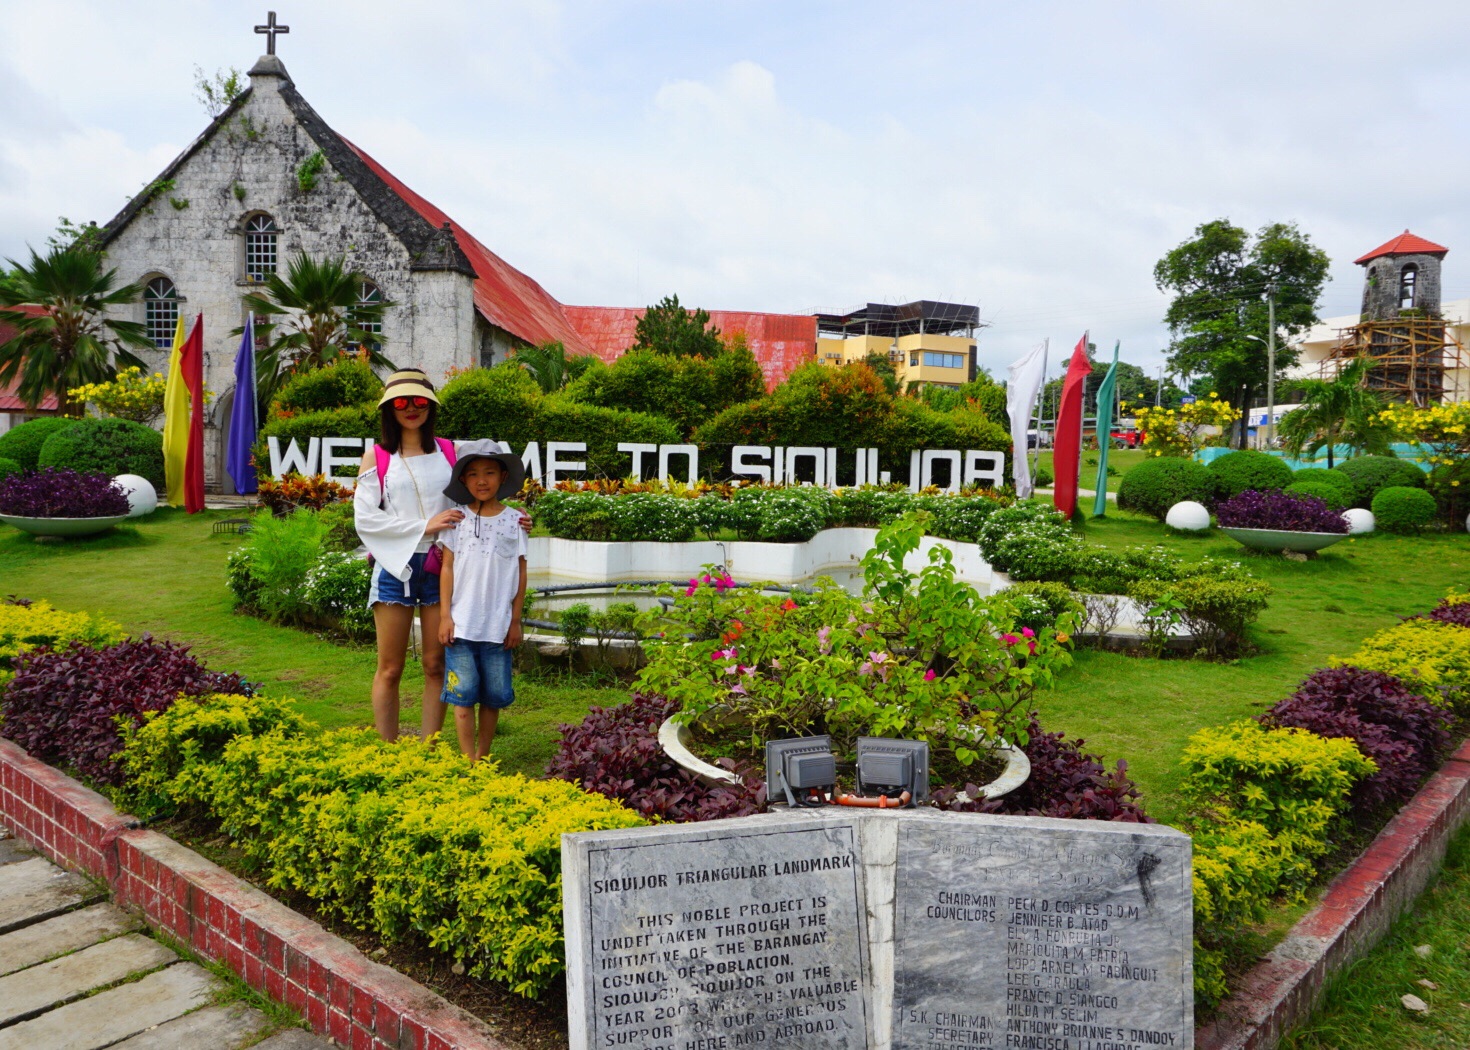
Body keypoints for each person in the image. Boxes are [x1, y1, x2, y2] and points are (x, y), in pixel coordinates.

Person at [354, 370, 528, 741]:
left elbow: (484, 483)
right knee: (390, 667)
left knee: (436, 664)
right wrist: (424, 524)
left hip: (442, 566)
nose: (412, 408)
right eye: (401, 402)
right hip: (395, 567)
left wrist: (517, 518)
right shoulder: (378, 456)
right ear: (389, 408)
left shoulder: (451, 451)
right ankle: (388, 752)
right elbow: (365, 519)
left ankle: (428, 749)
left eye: (420, 401)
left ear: (431, 406)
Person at [436, 441, 528, 762]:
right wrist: (445, 617)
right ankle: (468, 760)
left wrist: (515, 620)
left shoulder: (516, 521)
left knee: (493, 696)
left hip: (498, 628)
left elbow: (520, 572)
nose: (482, 480)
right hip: (461, 626)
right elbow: (447, 568)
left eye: (490, 472)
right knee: (462, 697)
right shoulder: (456, 519)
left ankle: (483, 755)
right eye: (473, 474)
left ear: (503, 476)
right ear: (463, 480)